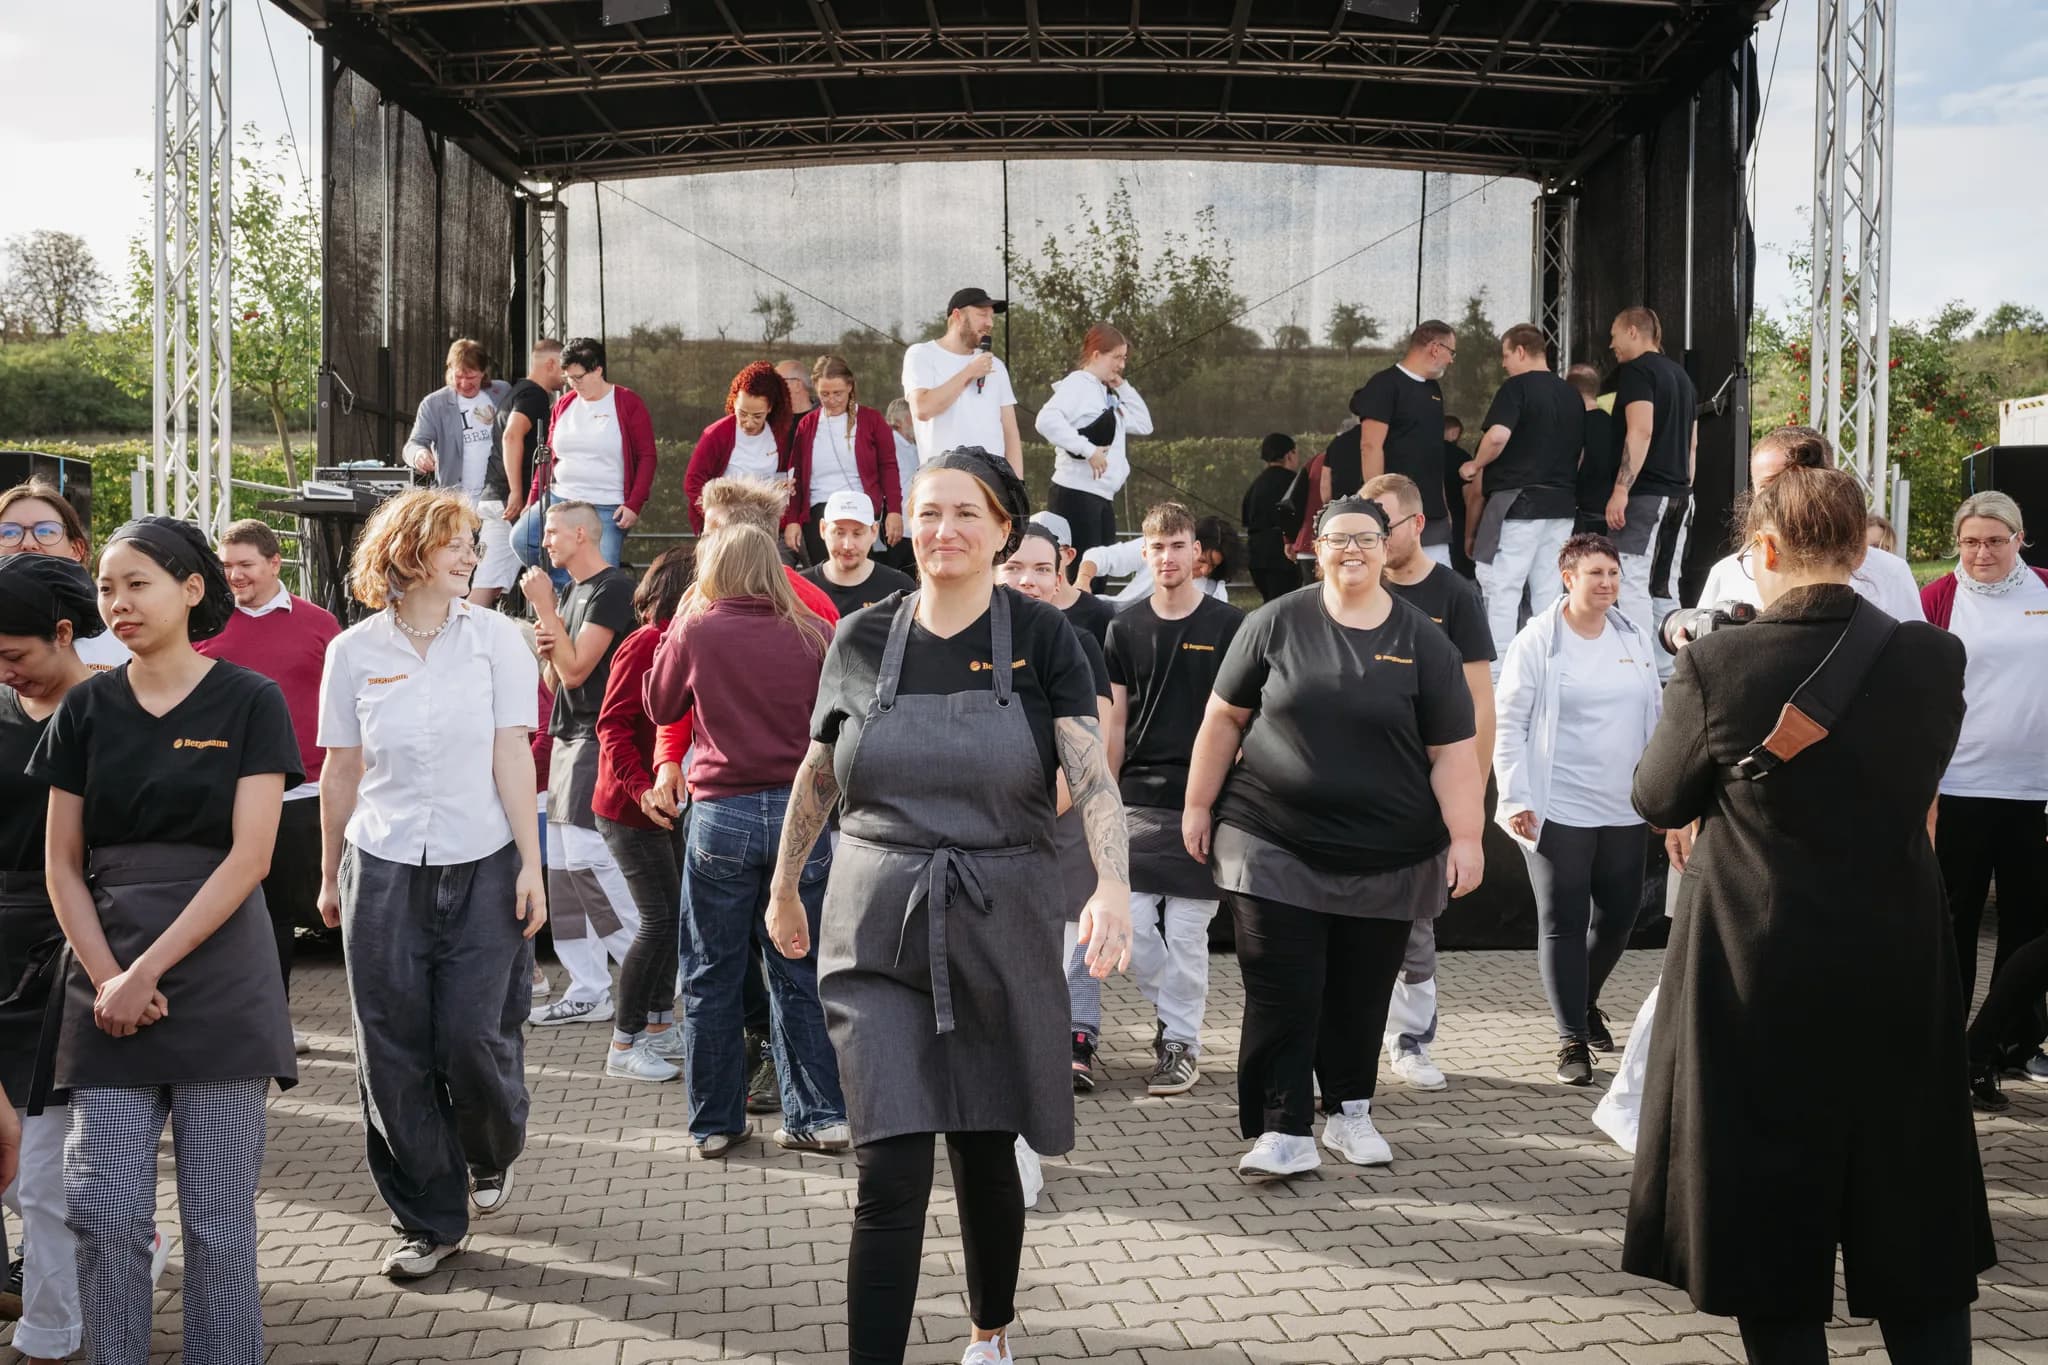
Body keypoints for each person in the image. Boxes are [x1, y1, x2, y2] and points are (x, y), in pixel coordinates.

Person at [766, 446, 1132, 1364]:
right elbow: (820, 769)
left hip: (1001, 918)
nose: (944, 530)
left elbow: (1090, 775)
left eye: (966, 512)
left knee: (983, 1148)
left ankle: (989, 1332)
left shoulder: (1046, 638)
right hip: (875, 926)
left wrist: (1113, 883)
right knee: (889, 1168)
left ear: (1003, 529)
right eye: (928, 512)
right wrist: (783, 884)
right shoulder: (860, 638)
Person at [1624, 464, 1991, 1364]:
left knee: (1765, 1215)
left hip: (1758, 963)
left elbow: (1658, 796)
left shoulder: (1715, 662)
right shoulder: (1932, 657)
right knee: (1911, 1202)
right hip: (1896, 960)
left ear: (1764, 548)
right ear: (1863, 548)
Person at [35, 515, 300, 1362]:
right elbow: (61, 864)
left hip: (219, 974)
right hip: (105, 974)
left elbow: (251, 857)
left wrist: (143, 971)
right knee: (102, 1208)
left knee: (219, 1224)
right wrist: (110, 975)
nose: (118, 602)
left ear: (191, 589)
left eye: (137, 584)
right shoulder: (85, 706)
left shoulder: (250, 699)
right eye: (106, 588)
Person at [1185, 496, 1484, 1180]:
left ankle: (1350, 1110)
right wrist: (1199, 804)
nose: (1353, 549)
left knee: (1360, 990)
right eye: (1338, 538)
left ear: (1388, 547)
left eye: (1366, 538)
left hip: (1389, 854)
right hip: (1271, 841)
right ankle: (1283, 1128)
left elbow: (1452, 752)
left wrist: (1467, 837)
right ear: (1315, 550)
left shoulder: (1425, 641)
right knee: (1283, 986)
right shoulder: (1273, 623)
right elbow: (1223, 718)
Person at [316, 488, 545, 1280]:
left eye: (472, 544)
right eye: (455, 542)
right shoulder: (352, 651)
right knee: (391, 1050)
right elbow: (341, 769)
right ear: (406, 549)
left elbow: (513, 753)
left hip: (483, 860)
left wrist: (532, 864)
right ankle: (427, 1217)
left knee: (475, 1038)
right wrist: (330, 874)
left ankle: (490, 1147)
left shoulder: (499, 640)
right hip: (380, 866)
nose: (470, 556)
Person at [643, 523, 849, 1157]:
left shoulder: (698, 630)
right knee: (800, 968)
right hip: (800, 813)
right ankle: (819, 1116)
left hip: (721, 811)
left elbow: (660, 705)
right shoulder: (815, 633)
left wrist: (679, 626)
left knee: (711, 973)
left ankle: (715, 1122)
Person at [1493, 533, 1662, 1085]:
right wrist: (1515, 795)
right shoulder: (1537, 640)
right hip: (1556, 806)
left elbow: (1655, 713)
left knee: (1618, 917)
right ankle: (1571, 1039)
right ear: (1568, 579)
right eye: (1595, 574)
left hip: (1624, 806)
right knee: (1563, 920)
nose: (1607, 583)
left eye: (1613, 573)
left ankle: (1583, 1000)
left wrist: (1661, 790)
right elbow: (1510, 723)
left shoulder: (1632, 635)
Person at [0, 554, 105, 1364]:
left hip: (75, 951)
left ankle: (51, 1336)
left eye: (15, 654)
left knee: (44, 1169)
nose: (6, 671)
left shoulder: (112, 710)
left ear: (64, 634)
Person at [1363, 473, 1497, 1093]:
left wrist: (1472, 800)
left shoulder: (1455, 595)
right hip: (1353, 789)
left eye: (1381, 526)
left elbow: (1480, 702)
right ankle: (1349, 1038)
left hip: (1426, 791)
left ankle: (1411, 1040)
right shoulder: (1350, 588)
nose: (1367, 540)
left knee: (1416, 922)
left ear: (1417, 524)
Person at [1104, 503, 1242, 1096]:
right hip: (1136, 800)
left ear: (1197, 554)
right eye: (1157, 547)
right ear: (1144, 553)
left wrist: (1218, 797)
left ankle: (1180, 1043)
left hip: (1207, 800)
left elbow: (1243, 720)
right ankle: (1177, 1018)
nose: (1168, 557)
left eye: (1178, 545)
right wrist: (1103, 801)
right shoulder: (1122, 628)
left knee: (1187, 934)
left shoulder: (1231, 625)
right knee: (1130, 929)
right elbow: (1114, 725)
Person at [997, 523, 1114, 1196]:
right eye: (1015, 566)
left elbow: (1089, 757)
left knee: (1037, 997)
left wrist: (1028, 818)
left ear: (1060, 571)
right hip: (962, 852)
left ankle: (1022, 1144)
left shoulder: (1078, 645)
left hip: (1047, 841)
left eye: (1042, 568)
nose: (1029, 580)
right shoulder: (953, 636)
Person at [1919, 490, 2048, 1101]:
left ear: (2020, 539)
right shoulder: (1937, 600)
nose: (1982, 552)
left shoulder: (2044, 589)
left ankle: (2006, 1047)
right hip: (1960, 789)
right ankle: (1949, 1051)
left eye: (1996, 540)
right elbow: (1916, 696)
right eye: (1970, 541)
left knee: (2028, 927)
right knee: (1954, 926)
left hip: (2035, 792)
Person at [197, 519, 342, 1052]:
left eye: (245, 565)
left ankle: (273, 1025)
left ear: (275, 563)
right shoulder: (203, 624)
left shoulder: (320, 623)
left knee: (287, 912)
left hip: (303, 792)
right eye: (226, 566)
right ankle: (245, 1022)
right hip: (223, 791)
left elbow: (347, 702)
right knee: (238, 912)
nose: (234, 575)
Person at [522, 503, 642, 1028]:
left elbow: (575, 673)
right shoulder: (570, 592)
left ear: (580, 534)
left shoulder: (612, 589)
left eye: (551, 532)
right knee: (565, 871)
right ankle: (588, 988)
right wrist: (549, 626)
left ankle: (650, 970)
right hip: (566, 738)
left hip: (597, 740)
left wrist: (545, 609)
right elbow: (556, 680)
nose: (544, 541)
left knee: (591, 863)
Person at [592, 547, 697, 1083]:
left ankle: (658, 1026)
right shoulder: (646, 642)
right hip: (630, 811)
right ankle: (624, 1042)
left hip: (664, 806)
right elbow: (611, 725)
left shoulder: (683, 640)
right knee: (657, 922)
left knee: (673, 919)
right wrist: (642, 791)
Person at [1696, 427, 1925, 623]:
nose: (1785, 495)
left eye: (1799, 480)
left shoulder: (1888, 572)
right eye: (1768, 487)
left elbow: (1912, 649)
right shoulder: (1728, 573)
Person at [1460, 325, 1584, 674]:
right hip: (1561, 505)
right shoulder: (1571, 394)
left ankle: (1496, 674)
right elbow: (1580, 453)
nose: (1503, 364)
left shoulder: (1516, 388)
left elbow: (1498, 436)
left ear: (1519, 351)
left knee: (1503, 588)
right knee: (1549, 591)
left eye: (1505, 355)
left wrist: (1475, 464)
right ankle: (1547, 669)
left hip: (1519, 503)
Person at [511, 337, 658, 576]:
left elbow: (647, 456)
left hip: (607, 505)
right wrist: (533, 499)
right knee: (521, 538)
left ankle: (577, 590)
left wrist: (634, 504)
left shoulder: (627, 402)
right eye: (568, 378)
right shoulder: (564, 404)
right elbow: (547, 456)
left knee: (602, 574)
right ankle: (565, 589)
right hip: (561, 498)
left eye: (579, 377)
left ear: (598, 370)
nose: (573, 384)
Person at [1602, 308, 1697, 661]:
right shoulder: (1683, 378)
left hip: (1645, 496)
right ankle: (1668, 668)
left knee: (1631, 581)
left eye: (1613, 335)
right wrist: (1685, 487)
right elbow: (1692, 445)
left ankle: (1638, 664)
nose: (1611, 344)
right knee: (1664, 585)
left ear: (1632, 331)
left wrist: (1621, 489)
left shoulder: (1637, 371)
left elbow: (1640, 430)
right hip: (1680, 495)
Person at [1327, 321, 1458, 563]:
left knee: (1438, 576)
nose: (1451, 360)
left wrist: (1443, 504)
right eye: (1451, 352)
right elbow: (1370, 446)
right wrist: (1375, 505)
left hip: (1431, 511)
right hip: (1394, 510)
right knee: (1392, 575)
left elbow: (1433, 453)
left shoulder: (1434, 389)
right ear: (1435, 348)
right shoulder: (1385, 385)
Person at [1036, 325, 1154, 588]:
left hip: (1101, 496)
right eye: (1117, 357)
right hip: (1076, 494)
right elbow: (1046, 420)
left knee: (1098, 575)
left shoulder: (1104, 391)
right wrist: (1087, 450)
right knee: (1078, 577)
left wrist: (1122, 387)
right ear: (1096, 354)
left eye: (1124, 358)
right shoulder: (1079, 383)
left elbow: (1144, 424)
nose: (1121, 365)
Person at [0, 479, 128, 671]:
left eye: (46, 531)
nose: (28, 544)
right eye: (9, 532)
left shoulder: (121, 634)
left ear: (76, 549)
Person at [791, 356, 905, 567]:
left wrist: (895, 511)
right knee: (824, 572)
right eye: (824, 394)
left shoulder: (871, 420)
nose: (831, 400)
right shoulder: (807, 425)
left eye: (838, 393)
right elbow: (795, 475)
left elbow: (888, 467)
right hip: (820, 509)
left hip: (861, 507)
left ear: (850, 387)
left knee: (860, 570)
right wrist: (792, 521)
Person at [477, 338, 565, 608]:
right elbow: (512, 435)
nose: (568, 375)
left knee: (488, 582)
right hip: (510, 501)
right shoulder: (534, 395)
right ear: (551, 364)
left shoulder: (517, 392)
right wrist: (517, 491)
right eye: (564, 367)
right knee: (552, 569)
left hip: (497, 497)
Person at [902, 288, 1022, 475]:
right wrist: (969, 372)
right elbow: (923, 409)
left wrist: (1017, 484)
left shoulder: (995, 365)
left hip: (991, 481)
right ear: (957, 316)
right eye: (982, 314)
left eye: (991, 317)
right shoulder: (922, 354)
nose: (989, 323)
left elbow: (1010, 433)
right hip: (942, 477)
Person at [683, 361, 797, 535]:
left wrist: (786, 489)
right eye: (742, 413)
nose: (749, 423)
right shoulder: (716, 434)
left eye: (757, 416)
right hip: (724, 529)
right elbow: (693, 482)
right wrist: (715, 518)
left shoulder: (780, 435)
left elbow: (785, 479)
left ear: (770, 408)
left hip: (765, 528)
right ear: (734, 401)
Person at [402, 338, 512, 507]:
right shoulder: (434, 404)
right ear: (450, 370)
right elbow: (413, 444)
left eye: (471, 377)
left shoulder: (502, 392)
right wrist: (419, 454)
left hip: (496, 498)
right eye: (458, 376)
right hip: (455, 501)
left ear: (483, 372)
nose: (464, 383)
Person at [800, 490, 917, 619]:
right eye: (839, 533)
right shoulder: (799, 588)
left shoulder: (899, 587)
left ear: (874, 531)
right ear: (823, 529)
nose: (848, 545)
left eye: (857, 534)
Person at [1075, 522, 1234, 608]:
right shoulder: (1157, 550)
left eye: (1213, 566)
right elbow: (1103, 556)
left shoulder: (1215, 594)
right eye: (1202, 560)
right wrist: (1083, 579)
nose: (1204, 570)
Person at [1022, 511, 1115, 648]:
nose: (1040, 556)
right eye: (1031, 549)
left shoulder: (1099, 613)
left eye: (1052, 549)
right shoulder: (1013, 608)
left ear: (1070, 555)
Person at [1242, 433, 1301, 602]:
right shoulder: (1295, 482)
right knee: (1287, 605)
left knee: (1270, 604)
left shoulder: (1256, 485)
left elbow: (1246, 519)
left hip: (1257, 556)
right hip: (1284, 558)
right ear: (1289, 455)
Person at [1569, 363, 1619, 536]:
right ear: (1596, 389)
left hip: (1578, 516)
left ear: (1570, 391)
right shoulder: (1617, 425)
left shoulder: (1572, 426)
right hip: (1611, 516)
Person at [881, 397, 922, 574]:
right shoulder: (890, 443)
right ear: (901, 420)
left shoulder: (914, 446)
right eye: (913, 418)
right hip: (895, 529)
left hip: (912, 529)